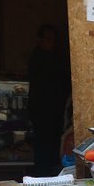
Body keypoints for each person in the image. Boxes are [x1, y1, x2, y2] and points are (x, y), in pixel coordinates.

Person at [27, 24, 71, 176]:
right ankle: (43, 175)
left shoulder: (52, 57)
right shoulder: (39, 58)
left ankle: (50, 173)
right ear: (40, 40)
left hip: (54, 110)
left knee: (52, 143)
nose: (52, 42)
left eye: (54, 39)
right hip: (42, 110)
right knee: (43, 144)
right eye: (48, 39)